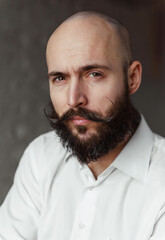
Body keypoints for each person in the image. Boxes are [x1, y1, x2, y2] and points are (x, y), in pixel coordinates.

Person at [0, 11, 165, 240]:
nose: (73, 98)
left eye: (93, 74)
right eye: (60, 78)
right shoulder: (40, 158)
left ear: (132, 78)